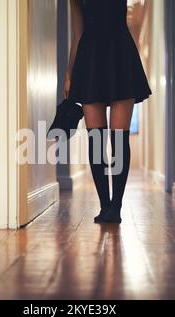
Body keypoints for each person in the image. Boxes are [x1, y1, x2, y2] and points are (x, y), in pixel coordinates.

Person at [63, 0, 152, 224]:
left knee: (119, 140)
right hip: (88, 60)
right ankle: (105, 205)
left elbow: (137, 20)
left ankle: (116, 207)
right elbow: (77, 35)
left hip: (120, 55)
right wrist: (69, 74)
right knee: (96, 139)